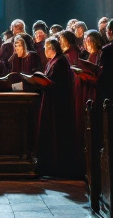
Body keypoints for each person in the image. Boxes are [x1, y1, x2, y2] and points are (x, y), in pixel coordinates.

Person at [35, 37, 80, 178]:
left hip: (58, 104)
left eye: (46, 48)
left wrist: (44, 82)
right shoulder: (53, 61)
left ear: (52, 48)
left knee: (56, 133)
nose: (44, 51)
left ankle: (56, 167)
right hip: (51, 101)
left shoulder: (60, 61)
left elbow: (58, 83)